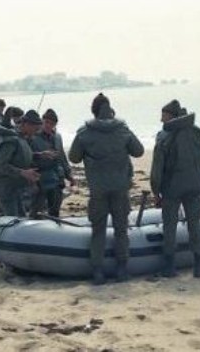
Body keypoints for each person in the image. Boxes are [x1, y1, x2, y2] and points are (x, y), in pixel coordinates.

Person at [69, 93, 144, 285]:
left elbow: (74, 157)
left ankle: (98, 271)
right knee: (121, 230)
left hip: (98, 189)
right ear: (110, 110)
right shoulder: (122, 129)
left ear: (93, 111)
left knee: (98, 230)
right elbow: (139, 151)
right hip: (120, 187)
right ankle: (122, 269)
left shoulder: (84, 132)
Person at [150, 100, 200, 278]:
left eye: (164, 115)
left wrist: (156, 191)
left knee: (170, 226)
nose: (161, 119)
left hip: (172, 187)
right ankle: (199, 266)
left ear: (171, 116)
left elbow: (157, 168)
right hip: (194, 185)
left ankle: (170, 266)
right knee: (194, 225)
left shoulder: (164, 136)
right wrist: (199, 180)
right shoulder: (196, 133)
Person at [0, 110, 41, 217]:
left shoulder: (20, 137)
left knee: (21, 216)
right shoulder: (11, 140)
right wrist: (23, 172)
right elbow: (1, 165)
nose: (36, 132)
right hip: (5, 186)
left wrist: (39, 155)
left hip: (14, 184)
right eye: (35, 128)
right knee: (12, 218)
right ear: (25, 124)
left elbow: (19, 156)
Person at [29, 109, 73, 218]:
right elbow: (26, 157)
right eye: (46, 123)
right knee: (36, 210)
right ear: (42, 122)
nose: (49, 126)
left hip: (57, 177)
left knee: (55, 209)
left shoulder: (57, 137)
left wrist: (69, 175)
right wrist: (40, 154)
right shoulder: (32, 136)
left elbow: (62, 157)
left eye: (52, 124)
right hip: (40, 177)